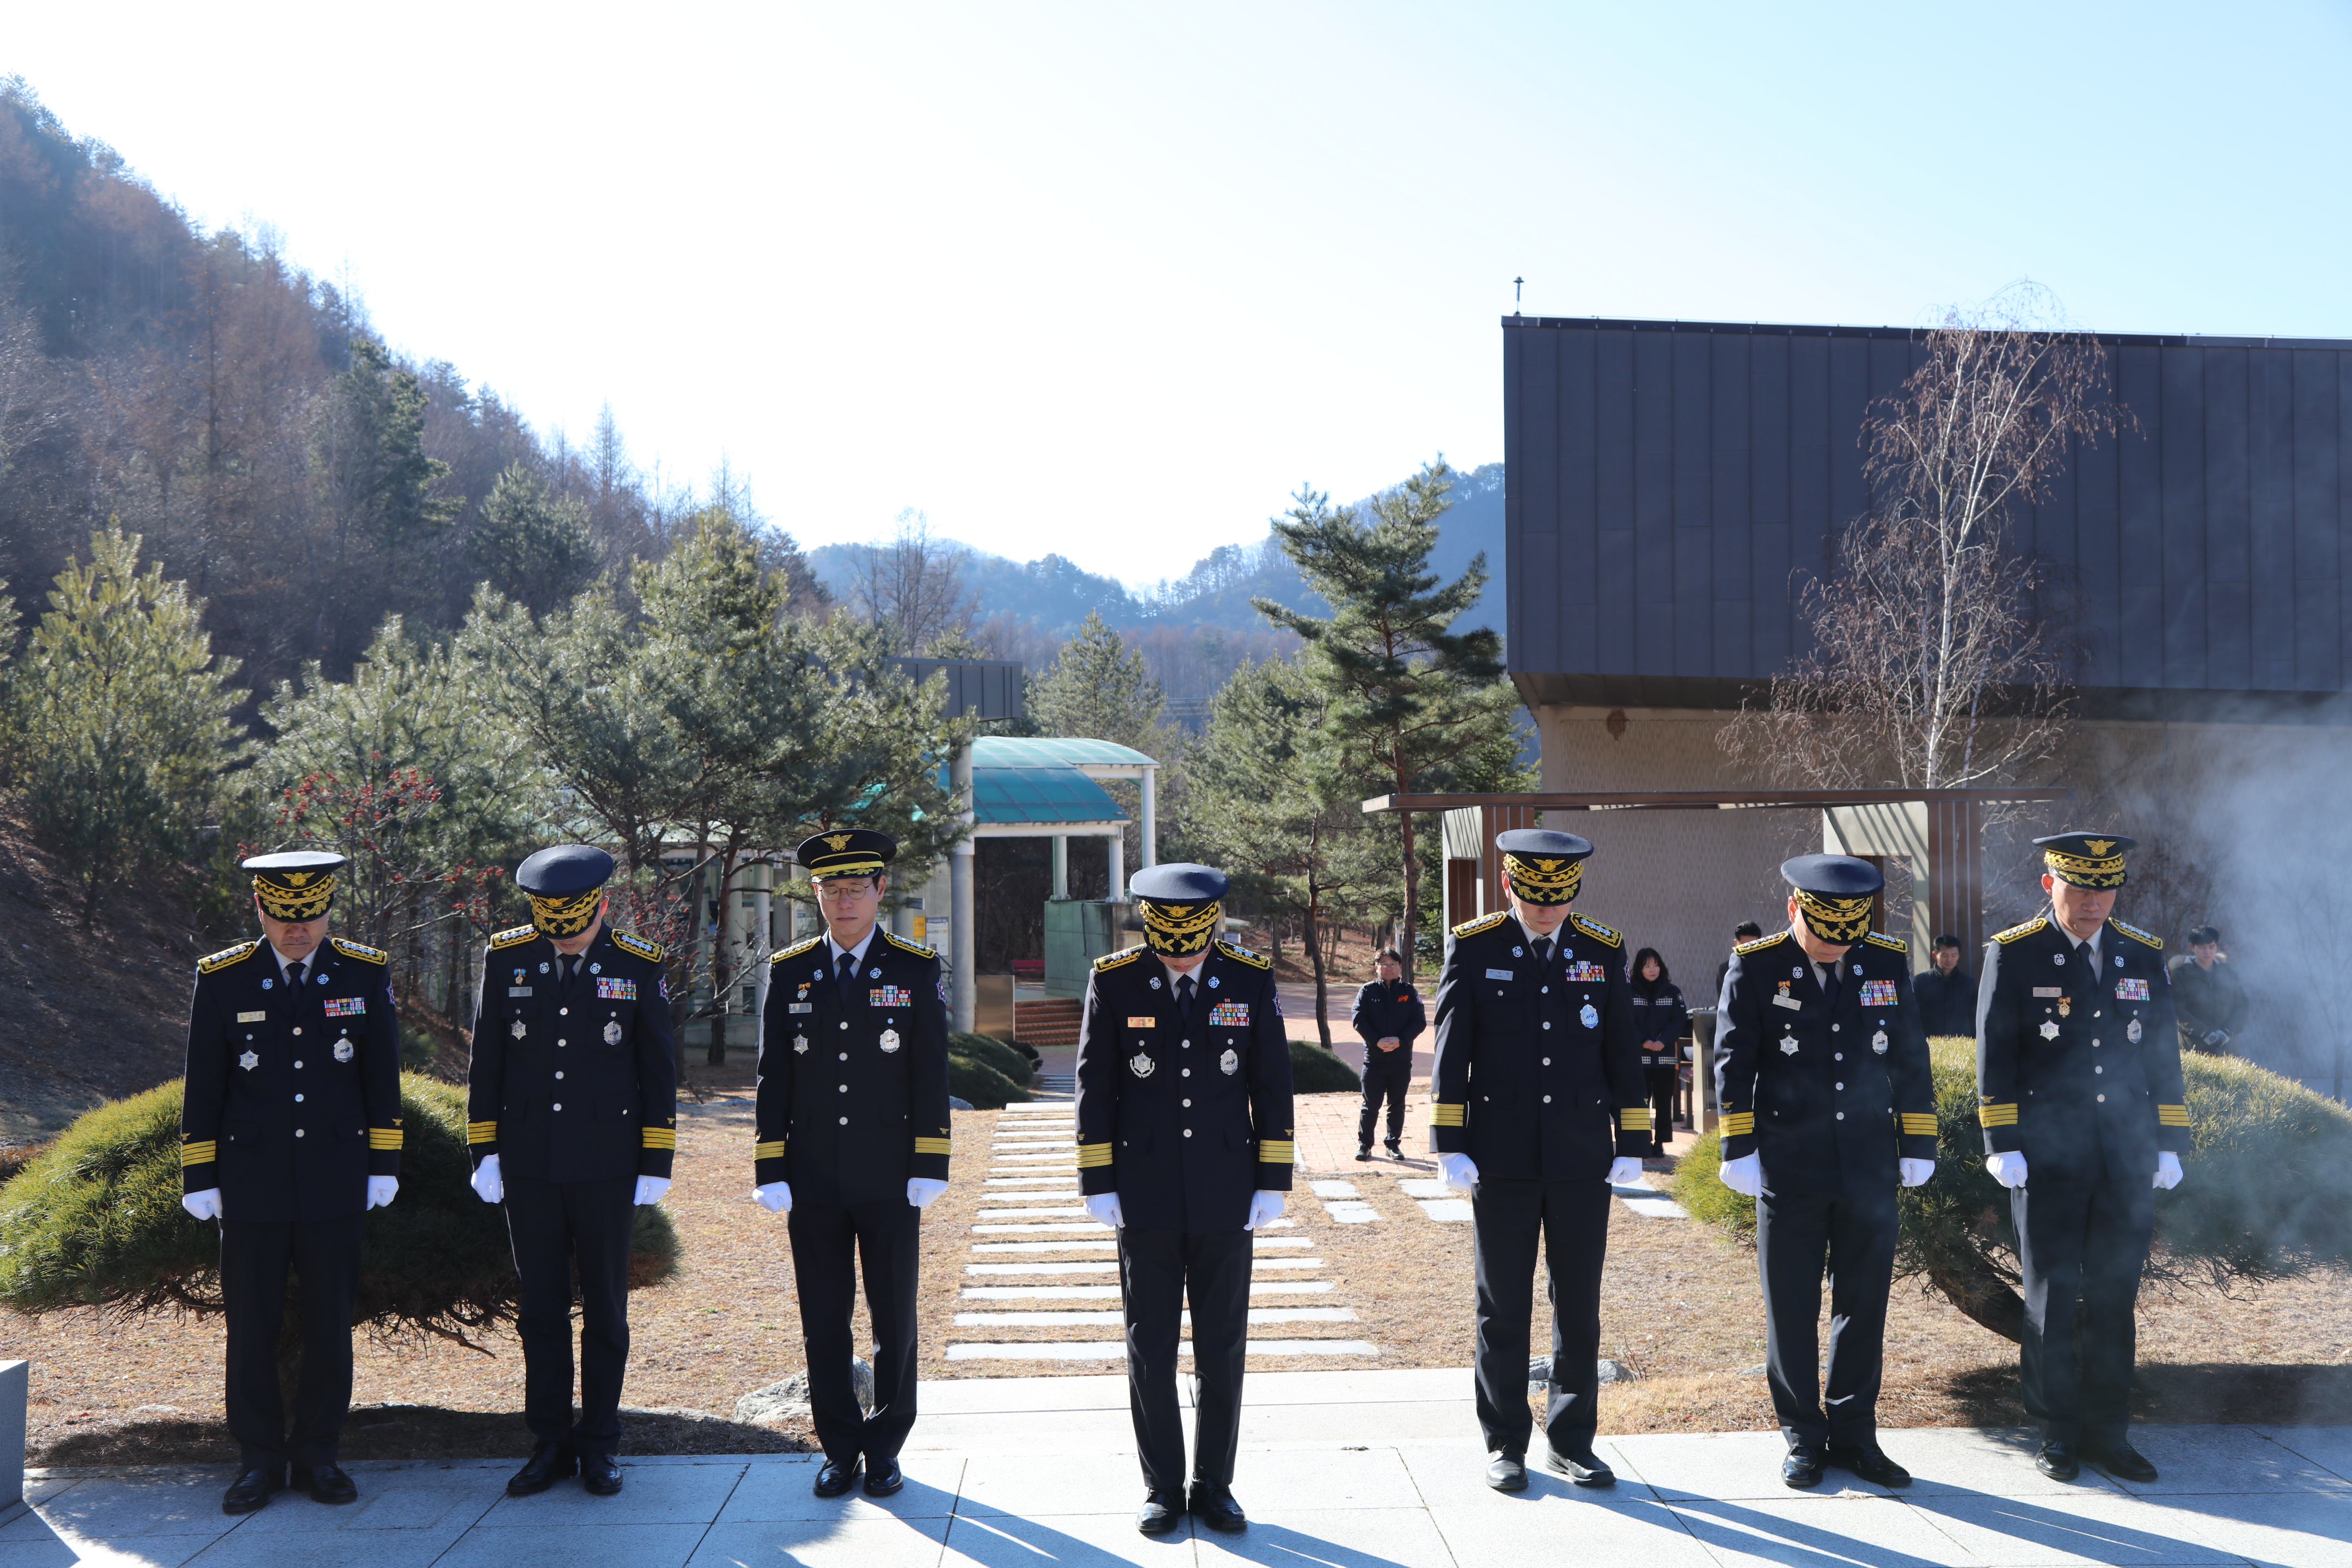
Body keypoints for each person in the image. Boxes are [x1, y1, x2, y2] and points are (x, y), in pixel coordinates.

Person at [180, 852, 402, 1516]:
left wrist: (384, 1165)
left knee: (331, 1325)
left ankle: (318, 1456)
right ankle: (258, 1462)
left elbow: (381, 1077)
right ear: (260, 908)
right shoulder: (224, 977)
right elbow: (204, 1085)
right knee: (251, 1327)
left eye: (309, 916)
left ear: (329, 909)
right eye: (283, 916)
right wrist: (200, 1174)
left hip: (335, 1179)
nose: (296, 930)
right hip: (251, 1184)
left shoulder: (364, 972)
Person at [1076, 862, 1294, 1537]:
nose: (1181, 957)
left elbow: (1272, 1082)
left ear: (1213, 925)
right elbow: (1094, 1086)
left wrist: (1273, 1178)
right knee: (1151, 1347)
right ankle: (1163, 1487)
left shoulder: (1249, 979)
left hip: (1227, 1191)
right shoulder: (1114, 980)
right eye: (1168, 945)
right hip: (1144, 1193)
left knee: (1223, 1346)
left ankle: (1215, 1484)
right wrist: (1098, 1179)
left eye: (1192, 944)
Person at [1429, 829, 1649, 1493]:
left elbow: (1622, 1049)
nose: (1547, 908)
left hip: (1581, 1156)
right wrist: (1449, 1142)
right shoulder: (1475, 946)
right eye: (1534, 895)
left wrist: (1632, 1139)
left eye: (1559, 897)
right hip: (1500, 1156)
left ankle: (1572, 1441)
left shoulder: (1602, 949)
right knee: (1502, 1305)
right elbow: (1451, 1050)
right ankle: (1505, 1441)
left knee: (1578, 1303)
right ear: (1508, 884)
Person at [1715, 856, 1937, 1490]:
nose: (1837, 947)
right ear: (1795, 910)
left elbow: (1910, 1057)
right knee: (1792, 1305)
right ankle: (1803, 1437)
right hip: (1790, 1164)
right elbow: (1733, 1061)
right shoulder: (1757, 966)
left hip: (1868, 1162)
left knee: (1863, 1304)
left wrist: (1918, 1141)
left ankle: (1855, 1434)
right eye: (1824, 934)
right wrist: (1738, 1147)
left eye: (1848, 935)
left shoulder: (1884, 961)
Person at [466, 844, 677, 1499]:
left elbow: (657, 1068)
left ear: (601, 906)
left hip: (607, 1164)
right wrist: (485, 1151)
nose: (565, 938)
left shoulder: (637, 963)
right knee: (541, 1309)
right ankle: (550, 1442)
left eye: (576, 927)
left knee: (606, 1309)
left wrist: (656, 1159)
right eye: (552, 926)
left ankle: (601, 1442)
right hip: (529, 1163)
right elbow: (487, 1061)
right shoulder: (507, 958)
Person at [1977, 831, 2185, 1485]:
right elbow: (1996, 1053)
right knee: (2052, 1297)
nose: (2094, 902)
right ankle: (2057, 1432)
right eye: (2080, 888)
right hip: (2047, 1158)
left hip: (2125, 1157)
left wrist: (2171, 1141)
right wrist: (2002, 1142)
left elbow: (2163, 1055)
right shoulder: (2015, 952)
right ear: (2050, 884)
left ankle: (2108, 1433)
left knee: (2115, 1297)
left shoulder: (2141, 953)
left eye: (2106, 889)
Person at [755, 829, 951, 1500]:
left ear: (880, 890)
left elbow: (930, 1072)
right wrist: (770, 1165)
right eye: (832, 889)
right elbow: (773, 1076)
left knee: (893, 1317)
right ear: (816, 894)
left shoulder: (915, 968)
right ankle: (839, 1449)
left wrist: (931, 1161)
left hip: (891, 1176)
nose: (844, 901)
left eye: (856, 888)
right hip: (812, 1177)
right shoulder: (791, 969)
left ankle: (886, 1446)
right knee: (823, 1320)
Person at [1350, 947, 1423, 1161]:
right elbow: (1358, 1019)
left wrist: (1401, 1040)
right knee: (1370, 1105)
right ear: (1377, 968)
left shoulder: (1409, 993)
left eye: (1393, 964)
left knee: (1397, 1104)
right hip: (1375, 1060)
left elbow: (1419, 1022)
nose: (1388, 968)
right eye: (1384, 964)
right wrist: (1376, 1041)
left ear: (1400, 968)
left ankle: (1393, 1144)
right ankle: (1365, 1145)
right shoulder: (1368, 991)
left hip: (1401, 1059)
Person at [1628, 948, 1688, 1157]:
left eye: (1655, 965)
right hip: (1640, 1059)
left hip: (1665, 1058)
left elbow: (1679, 1020)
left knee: (1663, 1103)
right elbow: (1626, 1021)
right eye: (1647, 966)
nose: (1652, 970)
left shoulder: (1672, 991)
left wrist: (1663, 1041)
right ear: (1640, 969)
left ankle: (1660, 1142)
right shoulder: (1629, 991)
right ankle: (1643, 1141)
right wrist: (1644, 1041)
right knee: (1640, 1102)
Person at [2169, 925, 2247, 1056]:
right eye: (2202, 947)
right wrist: (2204, 1033)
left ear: (2217, 946)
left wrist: (2228, 1031)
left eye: (2212, 947)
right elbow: (2177, 1010)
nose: (2208, 952)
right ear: (2192, 947)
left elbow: (2242, 1006)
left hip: (2228, 1050)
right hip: (2193, 1049)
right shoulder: (2181, 975)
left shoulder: (2229, 974)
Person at [1913, 936, 1977, 1038]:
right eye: (1944, 955)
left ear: (1959, 955)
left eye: (1954, 955)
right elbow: (1914, 1015)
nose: (1949, 960)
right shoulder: (1921, 981)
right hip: (1930, 1041)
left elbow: (1975, 1016)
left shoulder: (1968, 983)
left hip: (1962, 1042)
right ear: (1935, 955)